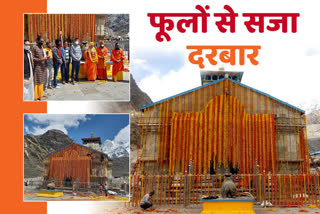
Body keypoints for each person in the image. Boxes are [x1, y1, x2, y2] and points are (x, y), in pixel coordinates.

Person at [31, 36, 49, 100]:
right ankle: (36, 96)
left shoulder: (42, 48)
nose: (42, 42)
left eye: (43, 41)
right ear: (37, 41)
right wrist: (41, 59)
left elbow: (43, 57)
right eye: (41, 41)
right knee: (37, 81)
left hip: (42, 66)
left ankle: (40, 94)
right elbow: (32, 58)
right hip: (37, 67)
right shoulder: (34, 48)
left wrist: (46, 57)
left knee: (41, 80)